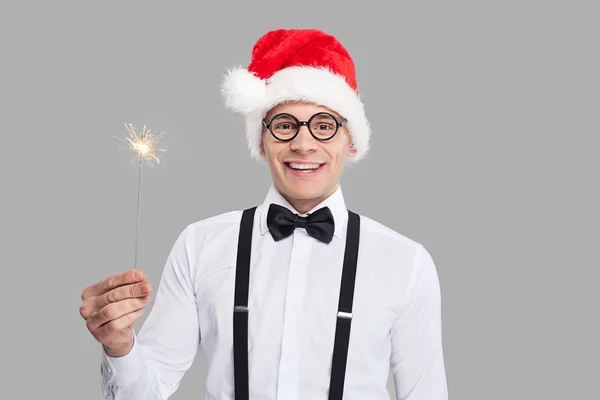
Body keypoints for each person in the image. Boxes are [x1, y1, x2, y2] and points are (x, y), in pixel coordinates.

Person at [80, 28, 448, 400]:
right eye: (285, 125)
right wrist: (120, 345)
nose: (303, 144)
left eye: (324, 126)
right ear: (261, 140)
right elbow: (144, 393)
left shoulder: (406, 262)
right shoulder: (201, 244)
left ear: (350, 141)